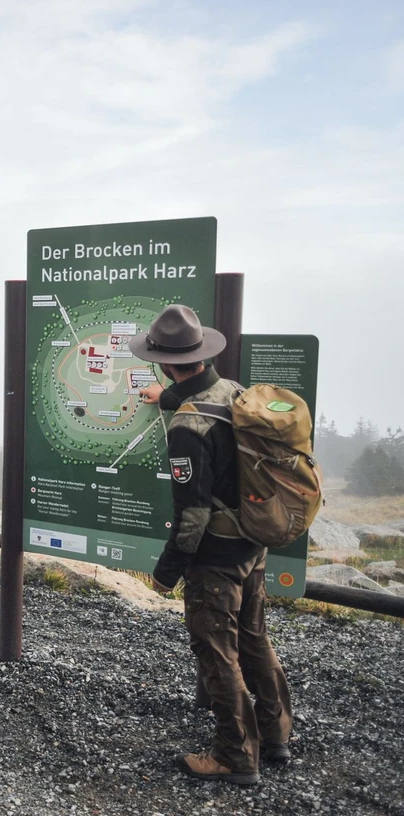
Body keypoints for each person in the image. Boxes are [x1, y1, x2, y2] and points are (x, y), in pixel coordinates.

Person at [134, 304, 293, 787]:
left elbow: (193, 513)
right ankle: (275, 733)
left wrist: (167, 571)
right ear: (201, 355)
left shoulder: (187, 427)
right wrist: (168, 398)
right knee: (254, 639)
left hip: (216, 559)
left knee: (217, 652)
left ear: (165, 363)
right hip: (252, 545)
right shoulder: (237, 393)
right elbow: (205, 404)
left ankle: (234, 756)